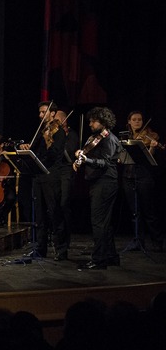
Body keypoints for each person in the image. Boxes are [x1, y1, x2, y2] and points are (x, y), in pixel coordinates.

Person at [19, 101, 69, 260]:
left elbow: (55, 153)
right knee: (39, 215)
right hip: (38, 175)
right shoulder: (42, 130)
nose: (40, 115)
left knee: (54, 213)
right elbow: (37, 152)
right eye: (39, 112)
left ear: (52, 113)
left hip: (51, 175)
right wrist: (28, 147)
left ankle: (61, 249)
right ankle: (40, 249)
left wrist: (48, 140)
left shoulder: (59, 132)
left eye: (43, 112)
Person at [75, 107, 122, 270]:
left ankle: (99, 260)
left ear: (103, 121)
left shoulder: (108, 139)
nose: (90, 124)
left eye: (93, 121)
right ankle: (110, 256)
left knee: (98, 222)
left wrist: (86, 159)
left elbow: (105, 163)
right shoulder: (97, 138)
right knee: (105, 223)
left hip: (105, 182)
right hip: (101, 182)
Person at [119, 110, 164, 252]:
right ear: (129, 122)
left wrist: (152, 147)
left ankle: (157, 241)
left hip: (144, 176)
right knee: (134, 212)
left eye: (140, 119)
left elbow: (149, 159)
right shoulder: (125, 136)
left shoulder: (150, 136)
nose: (138, 122)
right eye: (135, 119)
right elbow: (122, 156)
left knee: (148, 211)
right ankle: (138, 241)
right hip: (128, 176)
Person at [56, 110, 80, 249]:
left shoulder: (71, 134)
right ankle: (57, 239)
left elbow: (70, 152)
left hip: (66, 171)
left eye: (58, 120)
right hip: (55, 172)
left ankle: (65, 240)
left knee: (64, 205)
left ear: (65, 121)